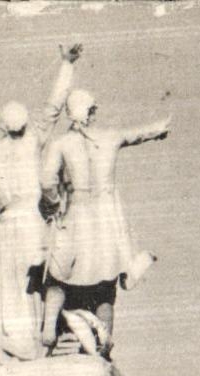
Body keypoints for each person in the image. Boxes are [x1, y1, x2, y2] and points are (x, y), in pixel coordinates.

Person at [39, 86, 169, 354]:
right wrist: (160, 128)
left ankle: (49, 325)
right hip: (107, 218)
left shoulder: (61, 143)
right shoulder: (110, 137)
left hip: (76, 211)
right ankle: (103, 343)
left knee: (59, 276)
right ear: (91, 112)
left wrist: (52, 206)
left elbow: (46, 181)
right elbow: (139, 134)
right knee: (105, 285)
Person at [0, 43, 83, 363]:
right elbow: (53, 105)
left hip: (12, 225)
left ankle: (29, 344)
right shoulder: (27, 140)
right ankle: (35, 344)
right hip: (23, 223)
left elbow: (50, 108)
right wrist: (66, 64)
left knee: (20, 287)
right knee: (34, 282)